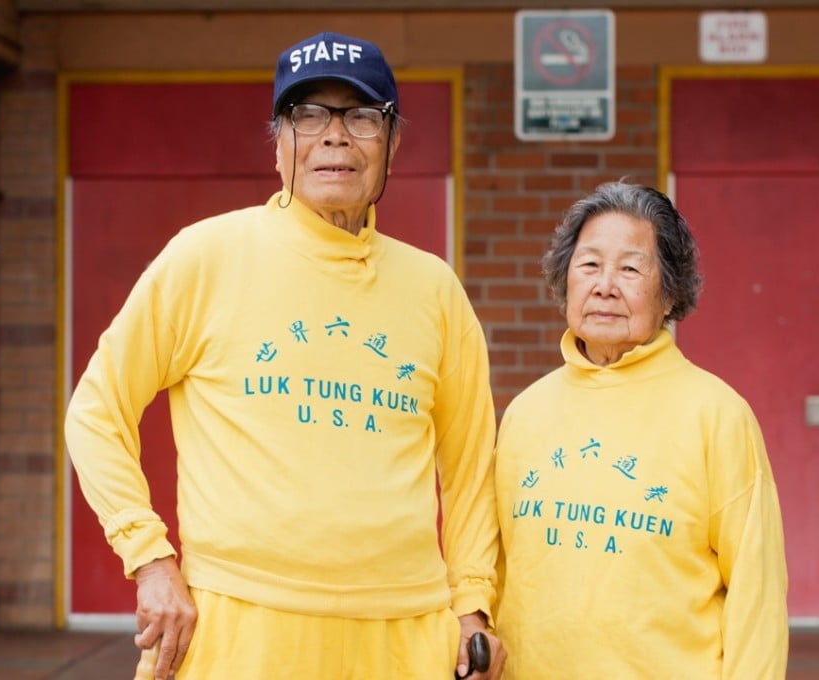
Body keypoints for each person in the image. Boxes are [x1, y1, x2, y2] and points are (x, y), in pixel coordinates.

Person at [65, 30, 505, 680]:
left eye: (360, 116)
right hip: (239, 627)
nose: (334, 136)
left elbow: (469, 467)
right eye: (308, 116)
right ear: (279, 145)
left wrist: (474, 605)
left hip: (403, 633)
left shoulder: (433, 289)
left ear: (392, 143)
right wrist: (150, 559)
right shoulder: (206, 257)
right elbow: (96, 412)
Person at [493, 181, 788, 678]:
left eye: (630, 268)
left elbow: (756, 597)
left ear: (669, 292)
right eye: (589, 265)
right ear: (565, 280)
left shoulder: (716, 414)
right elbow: (499, 568)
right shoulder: (525, 413)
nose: (605, 285)